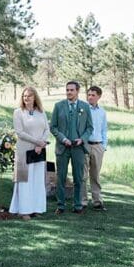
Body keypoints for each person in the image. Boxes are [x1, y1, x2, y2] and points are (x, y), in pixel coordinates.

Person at [50, 80, 93, 215]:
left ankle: (77, 205)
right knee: (61, 177)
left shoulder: (85, 107)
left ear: (77, 91)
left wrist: (83, 139)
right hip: (63, 147)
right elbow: (53, 127)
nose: (69, 92)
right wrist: (63, 139)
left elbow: (90, 127)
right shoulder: (58, 106)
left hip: (78, 148)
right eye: (67, 90)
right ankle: (61, 205)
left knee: (78, 178)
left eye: (71, 90)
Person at [9, 86, 49, 219]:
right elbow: (20, 133)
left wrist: (41, 143)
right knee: (24, 180)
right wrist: (37, 142)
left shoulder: (41, 112)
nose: (26, 98)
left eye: (29, 96)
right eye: (24, 96)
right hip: (24, 150)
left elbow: (46, 130)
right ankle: (24, 210)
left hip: (39, 151)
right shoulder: (18, 112)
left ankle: (36, 208)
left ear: (34, 97)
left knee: (37, 179)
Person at [79, 85, 108, 210]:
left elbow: (104, 130)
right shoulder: (83, 109)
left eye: (93, 95)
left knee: (95, 175)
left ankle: (97, 201)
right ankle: (82, 201)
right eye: (89, 95)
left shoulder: (102, 112)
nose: (90, 97)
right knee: (83, 175)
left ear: (99, 96)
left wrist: (103, 146)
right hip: (85, 145)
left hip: (98, 146)